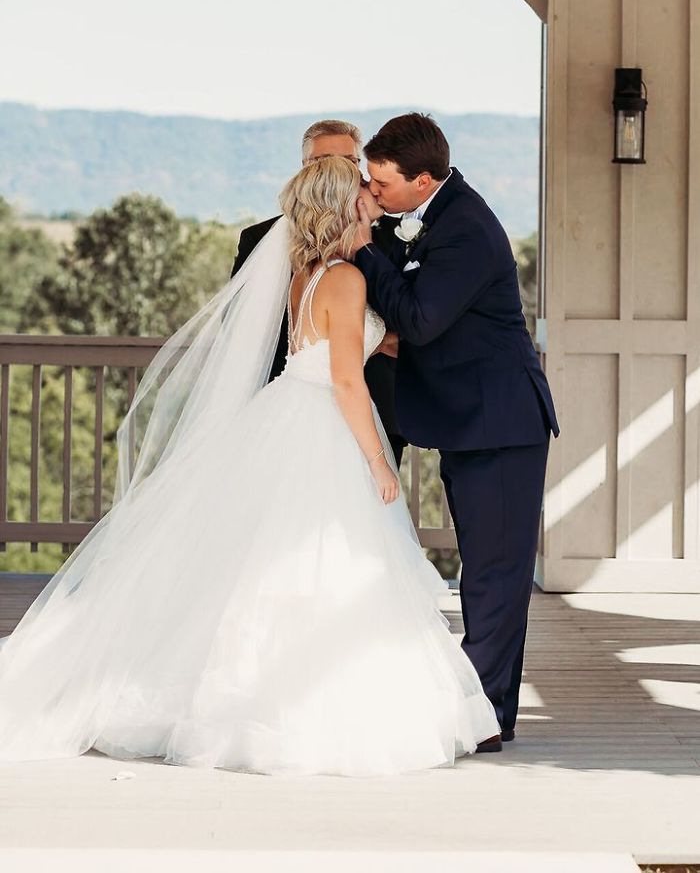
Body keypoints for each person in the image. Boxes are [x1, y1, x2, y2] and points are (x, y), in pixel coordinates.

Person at [0, 156, 499, 776]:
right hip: (322, 422)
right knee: (318, 566)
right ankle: (291, 707)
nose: (373, 200)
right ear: (344, 208)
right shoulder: (345, 279)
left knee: (267, 564)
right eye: (364, 194)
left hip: (288, 411)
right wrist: (378, 459)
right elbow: (347, 380)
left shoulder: (308, 274)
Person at [352, 113, 560, 753]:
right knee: (482, 575)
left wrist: (359, 249)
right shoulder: (430, 217)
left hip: (499, 424)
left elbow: (418, 319)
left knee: (494, 576)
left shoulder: (466, 228)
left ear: (421, 181)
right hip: (470, 422)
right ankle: (480, 710)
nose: (376, 194)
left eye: (382, 184)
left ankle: (487, 720)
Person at [232, 118, 407, 467]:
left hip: (380, 408)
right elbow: (243, 325)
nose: (338, 171)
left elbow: (409, 314)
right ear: (305, 169)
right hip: (296, 411)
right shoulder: (260, 241)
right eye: (324, 162)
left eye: (348, 162)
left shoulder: (395, 237)